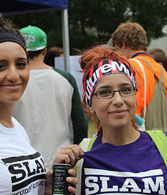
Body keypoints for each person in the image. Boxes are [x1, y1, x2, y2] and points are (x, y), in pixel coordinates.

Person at [0, 8, 77, 195]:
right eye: (0, 66)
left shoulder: (16, 128)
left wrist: (45, 187)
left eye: (20, 64)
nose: (13, 75)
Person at [56, 46, 167, 194]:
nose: (118, 100)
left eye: (126, 89)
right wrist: (55, 186)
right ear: (89, 104)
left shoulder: (163, 146)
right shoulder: (78, 159)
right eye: (105, 92)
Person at [13, 25, 88, 171]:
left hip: (22, 165)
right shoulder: (65, 79)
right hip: (60, 161)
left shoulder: (12, 81)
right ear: (45, 51)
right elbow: (80, 125)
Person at [112, 22, 167, 130]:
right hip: (162, 140)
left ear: (122, 44)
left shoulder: (128, 67)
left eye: (116, 49)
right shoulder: (160, 69)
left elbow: (129, 112)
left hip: (142, 141)